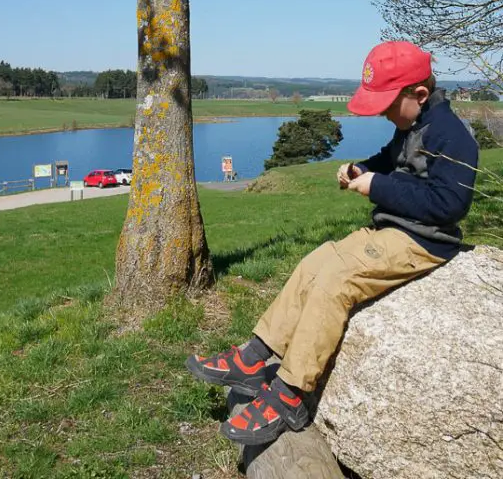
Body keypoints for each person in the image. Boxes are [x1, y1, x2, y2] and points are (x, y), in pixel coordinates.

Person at [185, 41, 479, 447]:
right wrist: (362, 169)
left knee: (335, 281)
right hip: (391, 231)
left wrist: (377, 186)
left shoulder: (453, 137)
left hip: (423, 241)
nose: (383, 114)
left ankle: (290, 395)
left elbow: (449, 205)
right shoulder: (410, 125)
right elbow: (388, 159)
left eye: (388, 105)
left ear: (420, 95)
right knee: (315, 262)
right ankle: (253, 358)